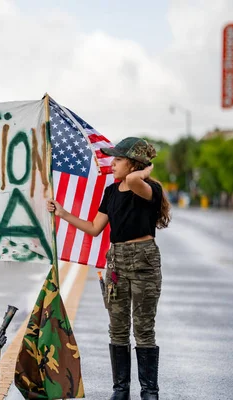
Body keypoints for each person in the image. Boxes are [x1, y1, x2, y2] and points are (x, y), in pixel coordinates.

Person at [47, 137, 170, 400]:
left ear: (134, 165)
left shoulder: (147, 188)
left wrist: (145, 169)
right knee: (117, 327)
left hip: (144, 261)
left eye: (118, 159)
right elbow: (94, 228)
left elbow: (136, 181)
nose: (111, 164)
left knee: (144, 327)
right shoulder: (111, 193)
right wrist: (63, 213)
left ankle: (149, 391)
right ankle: (120, 389)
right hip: (116, 260)